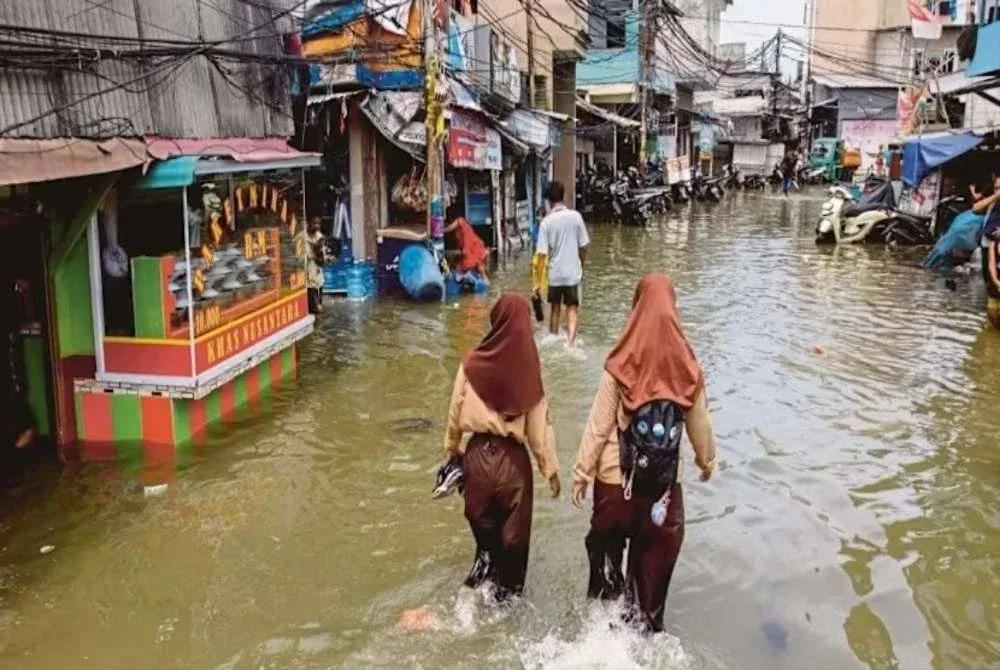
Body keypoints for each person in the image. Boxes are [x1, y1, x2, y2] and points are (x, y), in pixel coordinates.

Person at [572, 273, 717, 633]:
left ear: (636, 309)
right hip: (662, 498)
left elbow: (599, 424)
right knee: (646, 616)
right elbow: (701, 430)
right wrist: (706, 462)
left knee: (605, 594)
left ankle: (598, 643)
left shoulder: (620, 362)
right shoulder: (689, 370)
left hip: (614, 487)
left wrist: (581, 471)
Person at [443, 293, 561, 601]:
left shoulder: (470, 364)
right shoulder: (529, 372)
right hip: (513, 465)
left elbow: (454, 413)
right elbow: (540, 429)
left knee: (487, 542)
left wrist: (452, 450)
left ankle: (479, 590)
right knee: (514, 544)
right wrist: (551, 471)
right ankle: (507, 602)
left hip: (477, 460)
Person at [532, 181, 590, 346]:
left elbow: (541, 256)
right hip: (572, 273)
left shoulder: (546, 223)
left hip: (555, 274)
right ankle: (570, 344)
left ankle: (553, 337)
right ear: (563, 196)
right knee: (572, 308)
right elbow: (584, 246)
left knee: (555, 309)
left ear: (549, 201)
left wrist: (537, 283)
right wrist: (581, 264)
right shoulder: (576, 217)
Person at [443, 216, 490, 281]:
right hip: (476, 251)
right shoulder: (459, 232)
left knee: (458, 268)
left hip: (474, 251)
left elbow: (459, 221)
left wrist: (443, 230)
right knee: (481, 271)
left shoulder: (463, 224)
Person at [305, 216, 327, 314]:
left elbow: (323, 251)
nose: (317, 226)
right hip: (309, 271)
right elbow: (308, 255)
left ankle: (318, 306)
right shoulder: (304, 237)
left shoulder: (319, 236)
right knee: (315, 306)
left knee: (319, 286)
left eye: (318, 224)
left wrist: (324, 257)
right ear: (309, 223)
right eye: (314, 223)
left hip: (318, 271)